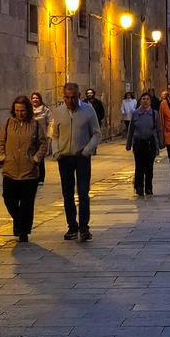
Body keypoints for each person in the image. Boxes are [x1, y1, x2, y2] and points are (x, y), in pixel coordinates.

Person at [53, 82, 101, 241]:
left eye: (73, 97)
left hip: (81, 157)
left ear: (79, 96)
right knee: (67, 194)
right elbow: (54, 134)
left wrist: (88, 150)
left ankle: (84, 227)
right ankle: (72, 226)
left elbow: (96, 133)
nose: (70, 101)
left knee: (83, 192)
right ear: (63, 97)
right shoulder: (59, 112)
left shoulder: (88, 111)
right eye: (67, 97)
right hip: (65, 157)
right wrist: (56, 151)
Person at [0, 95, 46, 242]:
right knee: (8, 199)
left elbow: (43, 144)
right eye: (17, 110)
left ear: (28, 110)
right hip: (10, 169)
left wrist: (36, 158)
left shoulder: (35, 125)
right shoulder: (8, 123)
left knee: (27, 203)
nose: (20, 114)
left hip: (29, 171)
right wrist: (1, 156)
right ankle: (18, 221)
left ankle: (23, 231)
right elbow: (0, 142)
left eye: (22, 111)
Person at [126, 92, 163, 196]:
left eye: (147, 99)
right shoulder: (135, 114)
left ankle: (149, 188)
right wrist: (128, 144)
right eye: (143, 99)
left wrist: (160, 143)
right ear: (140, 101)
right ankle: (139, 186)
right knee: (139, 166)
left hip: (150, 143)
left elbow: (158, 129)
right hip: (138, 143)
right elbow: (131, 129)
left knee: (149, 167)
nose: (145, 101)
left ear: (150, 101)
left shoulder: (155, 114)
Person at [30, 91, 52, 185]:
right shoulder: (29, 110)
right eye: (33, 98)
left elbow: (51, 122)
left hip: (42, 136)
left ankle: (41, 178)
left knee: (40, 157)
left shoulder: (45, 110)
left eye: (37, 98)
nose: (35, 100)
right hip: (31, 136)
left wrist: (49, 135)